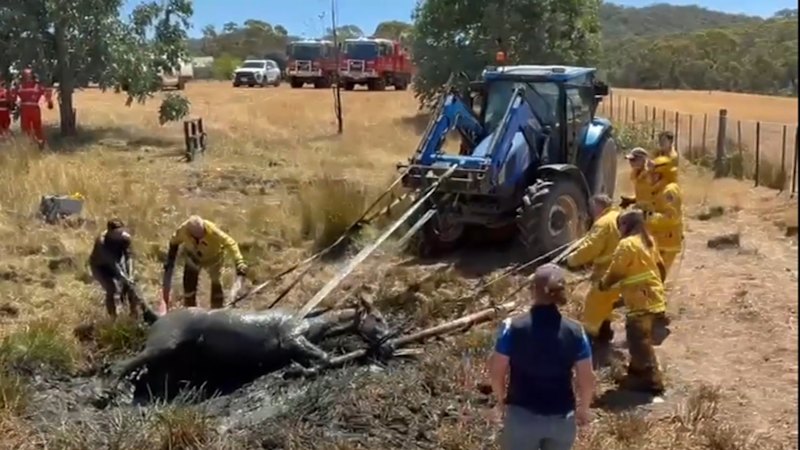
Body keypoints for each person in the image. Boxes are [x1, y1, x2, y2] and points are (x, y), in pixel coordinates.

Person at [487, 263, 595, 450]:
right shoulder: (576, 331)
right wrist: (583, 409)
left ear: (533, 291)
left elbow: (497, 372)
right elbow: (587, 378)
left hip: (522, 417)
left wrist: (501, 399)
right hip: (562, 419)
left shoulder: (512, 327)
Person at [598, 209, 667, 395]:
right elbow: (661, 268)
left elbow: (617, 272)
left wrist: (603, 284)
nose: (619, 229)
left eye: (620, 225)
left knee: (638, 340)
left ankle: (652, 381)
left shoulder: (627, 244)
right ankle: (635, 374)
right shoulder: (648, 241)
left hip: (641, 299)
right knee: (639, 337)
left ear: (626, 225)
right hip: (653, 296)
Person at [565, 194, 621, 355]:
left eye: (592, 207)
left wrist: (571, 260)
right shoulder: (616, 216)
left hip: (606, 274)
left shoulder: (603, 223)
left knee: (593, 307)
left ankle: (586, 348)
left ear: (598, 206)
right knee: (607, 305)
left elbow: (591, 247)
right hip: (621, 273)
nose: (591, 211)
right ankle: (605, 333)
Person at [161, 215, 248, 313]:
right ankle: (190, 311)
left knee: (217, 285)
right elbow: (174, 242)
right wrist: (170, 259)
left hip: (214, 258)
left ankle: (217, 313)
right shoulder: (183, 230)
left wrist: (239, 262)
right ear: (190, 233)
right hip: (194, 258)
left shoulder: (212, 230)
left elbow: (230, 243)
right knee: (189, 285)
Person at [88, 219, 137, 319]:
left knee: (131, 287)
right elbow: (113, 264)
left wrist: (130, 275)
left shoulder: (125, 238)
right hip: (100, 267)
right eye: (116, 233)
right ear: (109, 232)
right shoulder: (101, 242)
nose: (119, 234)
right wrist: (124, 277)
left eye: (120, 231)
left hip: (117, 263)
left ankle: (134, 315)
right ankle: (113, 318)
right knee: (112, 288)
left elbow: (129, 258)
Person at [645, 155, 683, 276]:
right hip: (660, 240)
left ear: (661, 175)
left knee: (656, 276)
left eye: (653, 174)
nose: (650, 177)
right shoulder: (661, 189)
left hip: (668, 242)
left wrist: (648, 218)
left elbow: (671, 217)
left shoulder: (669, 191)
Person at [14, 69, 53, 148]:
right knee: (25, 129)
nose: (28, 77)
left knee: (37, 127)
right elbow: (14, 96)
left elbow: (46, 94)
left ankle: (40, 145)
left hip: (34, 109)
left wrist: (49, 102)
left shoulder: (37, 85)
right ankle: (28, 145)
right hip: (24, 110)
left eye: (29, 75)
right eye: (26, 75)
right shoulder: (20, 85)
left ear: (32, 75)